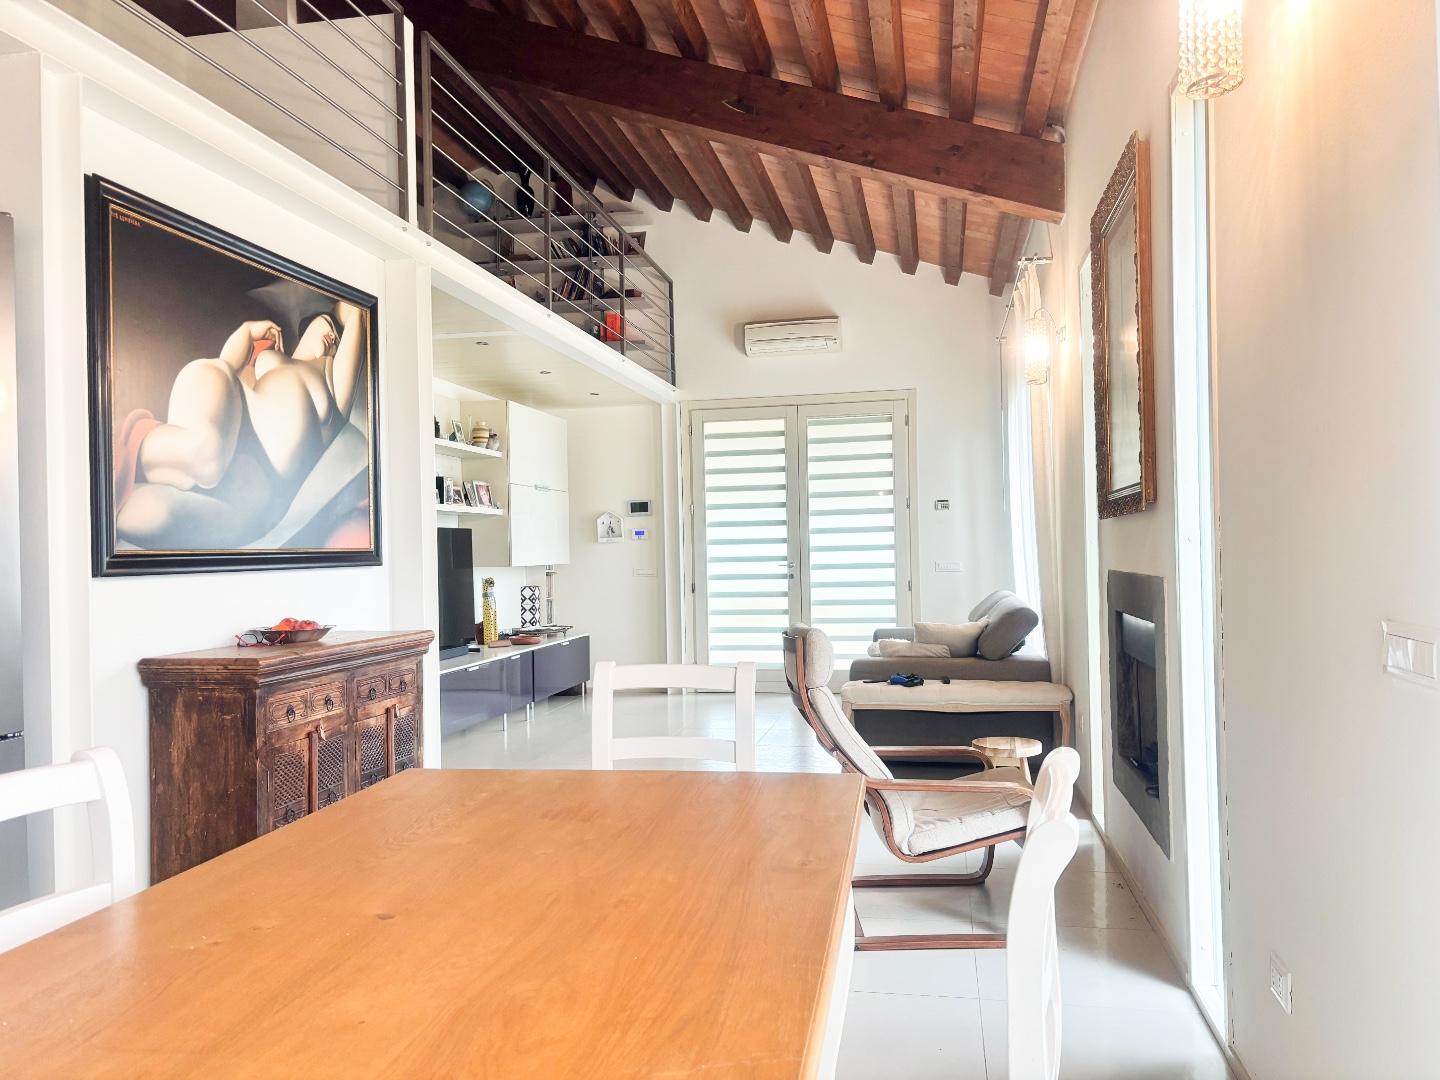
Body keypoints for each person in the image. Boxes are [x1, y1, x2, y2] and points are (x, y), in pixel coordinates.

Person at [113, 299, 370, 551]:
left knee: (156, 515)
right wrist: (246, 331)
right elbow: (227, 369)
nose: (332, 339)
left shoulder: (332, 385)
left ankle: (113, 506)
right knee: (207, 453)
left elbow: (357, 314)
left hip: (243, 474)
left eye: (337, 340)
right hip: (220, 406)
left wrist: (353, 315)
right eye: (326, 326)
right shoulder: (276, 360)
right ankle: (118, 469)